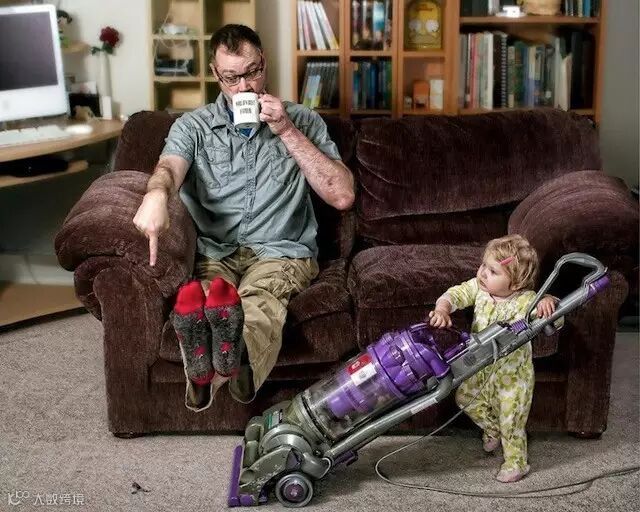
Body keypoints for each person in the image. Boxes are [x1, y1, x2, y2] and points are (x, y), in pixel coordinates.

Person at [133, 24, 354, 412]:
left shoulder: (302, 120)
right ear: (215, 75)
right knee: (207, 299)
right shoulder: (193, 126)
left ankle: (221, 368)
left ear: (264, 64)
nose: (244, 87)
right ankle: (223, 364)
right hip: (215, 250)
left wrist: (286, 130)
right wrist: (156, 195)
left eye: (252, 73)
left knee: (258, 302)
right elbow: (168, 168)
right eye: (231, 78)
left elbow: (342, 195)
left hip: (280, 252)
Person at [428, 234, 558, 483]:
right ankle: (492, 428)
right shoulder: (479, 289)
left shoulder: (526, 301)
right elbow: (455, 294)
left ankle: (516, 463)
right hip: (480, 368)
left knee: (512, 422)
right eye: (483, 266)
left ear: (516, 282)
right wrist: (443, 308)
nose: (483, 273)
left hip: (513, 378)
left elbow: (554, 317)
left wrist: (547, 302)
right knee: (464, 398)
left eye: (493, 271)